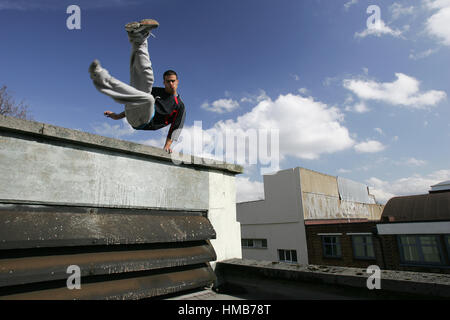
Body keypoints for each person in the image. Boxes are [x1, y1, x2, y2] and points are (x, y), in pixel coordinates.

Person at [89, 19, 185, 154]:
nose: (171, 84)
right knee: (140, 75)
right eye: (168, 81)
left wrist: (167, 145)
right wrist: (117, 116)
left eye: (173, 81)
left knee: (147, 97)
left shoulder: (179, 105)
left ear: (178, 81)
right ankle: (137, 37)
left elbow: (176, 127)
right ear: (164, 82)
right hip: (133, 114)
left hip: (143, 122)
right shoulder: (157, 91)